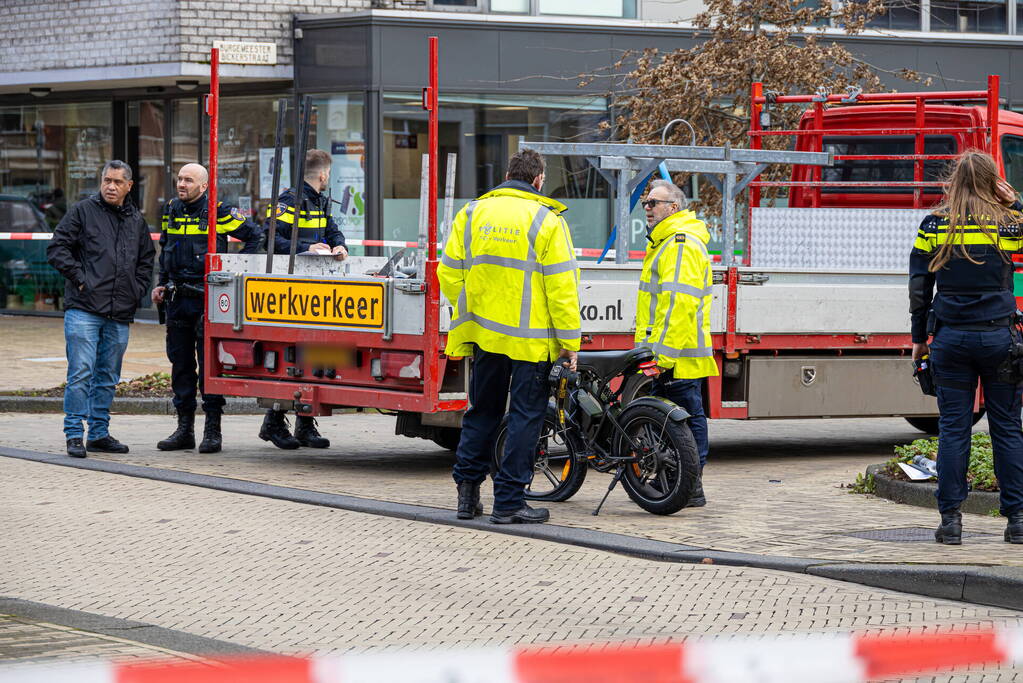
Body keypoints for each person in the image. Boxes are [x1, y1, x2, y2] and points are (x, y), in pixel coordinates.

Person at [438, 148, 581, 525]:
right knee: (523, 418)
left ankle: (467, 498)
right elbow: (562, 289)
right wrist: (570, 343)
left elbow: (449, 274)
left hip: (485, 336)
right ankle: (509, 502)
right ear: (538, 180)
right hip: (530, 343)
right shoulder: (546, 220)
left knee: (481, 412)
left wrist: (474, 310)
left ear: (506, 173)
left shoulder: (471, 213)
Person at [910, 150, 1023, 545]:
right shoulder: (1008, 224)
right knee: (1007, 428)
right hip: (999, 339)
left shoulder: (935, 225)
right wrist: (1016, 202)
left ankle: (951, 521)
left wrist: (918, 339)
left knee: (953, 430)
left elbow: (919, 286)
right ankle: (1018, 521)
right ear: (995, 182)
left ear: (954, 180)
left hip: (951, 339)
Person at [46, 160, 155, 458]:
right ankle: (73, 434)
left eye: (118, 182)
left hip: (119, 312)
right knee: (81, 372)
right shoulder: (83, 211)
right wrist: (82, 281)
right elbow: (57, 249)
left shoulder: (135, 220)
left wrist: (136, 291)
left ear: (129, 186)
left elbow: (147, 259)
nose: (111, 186)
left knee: (107, 376)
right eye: (107, 180)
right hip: (84, 308)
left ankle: (98, 433)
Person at [151, 163, 263, 453]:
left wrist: (233, 273)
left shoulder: (219, 211)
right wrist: (161, 283)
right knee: (181, 366)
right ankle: (184, 429)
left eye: (188, 180)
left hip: (207, 299)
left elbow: (255, 237)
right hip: (178, 299)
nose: (181, 184)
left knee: (210, 366)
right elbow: (166, 249)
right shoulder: (171, 210)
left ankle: (213, 430)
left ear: (203, 186)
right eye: (179, 179)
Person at [636, 179, 717, 507]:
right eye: (645, 203)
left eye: (654, 203)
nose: (647, 208)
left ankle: (689, 486)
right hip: (670, 355)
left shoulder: (680, 243)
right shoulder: (667, 242)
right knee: (672, 425)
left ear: (674, 207)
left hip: (676, 358)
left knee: (684, 422)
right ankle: (675, 483)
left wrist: (662, 357)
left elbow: (678, 306)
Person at [259, 149, 346, 449]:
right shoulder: (287, 201)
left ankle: (305, 425)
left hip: (317, 292)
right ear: (322, 174)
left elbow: (333, 231)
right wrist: (308, 249)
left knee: (313, 358)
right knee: (292, 358)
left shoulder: (321, 200)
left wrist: (339, 247)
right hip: (290, 292)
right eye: (329, 174)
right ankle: (273, 422)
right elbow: (269, 239)